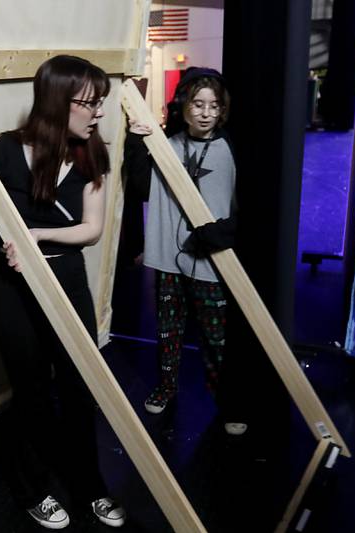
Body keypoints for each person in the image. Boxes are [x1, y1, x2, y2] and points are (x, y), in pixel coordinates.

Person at [0, 55, 125, 530]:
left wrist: (35, 238)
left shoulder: (92, 155)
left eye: (100, 102)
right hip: (14, 289)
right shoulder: (5, 152)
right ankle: (34, 489)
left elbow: (92, 230)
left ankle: (90, 486)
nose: (99, 113)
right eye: (91, 103)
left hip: (66, 283)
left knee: (78, 387)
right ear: (58, 102)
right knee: (31, 394)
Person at [124, 68, 244, 435]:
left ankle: (228, 403)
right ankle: (166, 387)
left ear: (222, 110)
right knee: (169, 330)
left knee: (216, 338)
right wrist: (136, 145)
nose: (206, 112)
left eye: (214, 105)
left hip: (212, 261)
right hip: (170, 260)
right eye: (198, 104)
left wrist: (223, 233)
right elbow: (144, 188)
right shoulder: (168, 145)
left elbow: (246, 205)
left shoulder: (231, 147)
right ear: (184, 106)